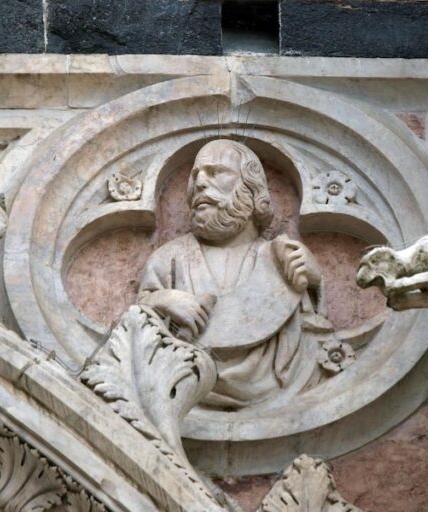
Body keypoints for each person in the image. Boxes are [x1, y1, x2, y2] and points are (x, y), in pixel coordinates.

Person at [138, 139, 331, 408]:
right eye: (196, 176)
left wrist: (314, 282)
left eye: (216, 172)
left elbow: (314, 331)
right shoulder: (170, 258)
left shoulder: (280, 258)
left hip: (271, 390)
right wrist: (161, 301)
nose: (200, 183)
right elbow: (135, 326)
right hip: (181, 383)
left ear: (251, 189)